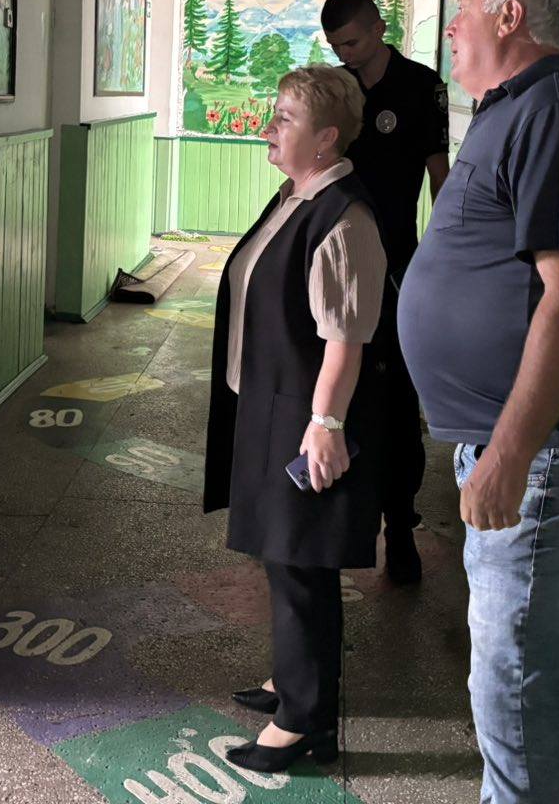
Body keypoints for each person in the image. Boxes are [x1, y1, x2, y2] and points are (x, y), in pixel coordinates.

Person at [398, 0, 559, 804]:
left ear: (509, 17)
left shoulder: (558, 111)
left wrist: (508, 453)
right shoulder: (510, 111)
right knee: (504, 688)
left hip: (548, 456)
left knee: (516, 697)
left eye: (463, 8)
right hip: (524, 451)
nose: (450, 27)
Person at [203, 65, 388, 773]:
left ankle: (305, 722)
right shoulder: (297, 196)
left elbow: (346, 338)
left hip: (305, 415)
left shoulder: (343, 219)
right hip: (271, 404)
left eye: (285, 118)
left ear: (327, 137)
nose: (268, 127)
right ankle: (293, 678)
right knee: (283, 555)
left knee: (301, 559)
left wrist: (326, 426)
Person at [322, 0, 449, 583]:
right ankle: (339, 516)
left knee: (398, 400)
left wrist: (444, 260)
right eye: (335, 47)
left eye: (351, 42)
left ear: (377, 28)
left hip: (398, 263)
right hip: (337, 258)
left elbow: (439, 177)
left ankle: (399, 526)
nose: (344, 55)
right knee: (335, 390)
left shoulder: (421, 87)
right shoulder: (336, 88)